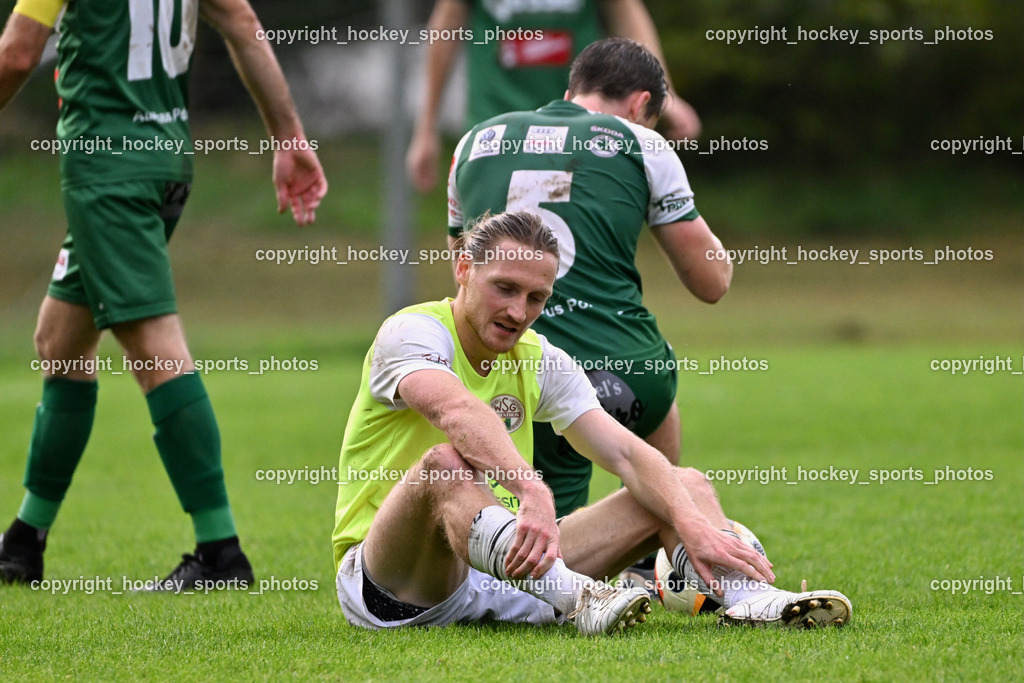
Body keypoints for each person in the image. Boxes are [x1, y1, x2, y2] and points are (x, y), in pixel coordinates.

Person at [331, 211, 851, 633]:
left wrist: (689, 521)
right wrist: (531, 488)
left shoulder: (540, 357)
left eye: (537, 298)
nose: (518, 311)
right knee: (444, 465)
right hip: (395, 585)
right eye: (504, 288)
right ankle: (581, 598)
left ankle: (751, 599)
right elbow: (456, 411)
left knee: (682, 485)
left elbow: (625, 454)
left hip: (510, 576)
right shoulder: (412, 333)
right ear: (464, 268)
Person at [0, 0, 328, 589]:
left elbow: (17, 55)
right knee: (60, 339)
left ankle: (220, 552)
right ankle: (24, 542)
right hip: (165, 160)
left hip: (108, 171)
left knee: (153, 346)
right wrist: (288, 136)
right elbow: (243, 24)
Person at [445, 37, 728, 598]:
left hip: (498, 372)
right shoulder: (640, 141)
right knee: (654, 382)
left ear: (572, 90)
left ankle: (540, 561)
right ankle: (647, 553)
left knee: (533, 538)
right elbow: (711, 283)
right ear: (641, 104)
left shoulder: (474, 141)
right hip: (620, 374)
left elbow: (464, 274)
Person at [406, 0, 702, 193]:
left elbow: (626, 12)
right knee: (490, 247)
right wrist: (426, 128)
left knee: (576, 244)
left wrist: (664, 92)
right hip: (496, 123)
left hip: (578, 127)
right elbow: (445, 27)